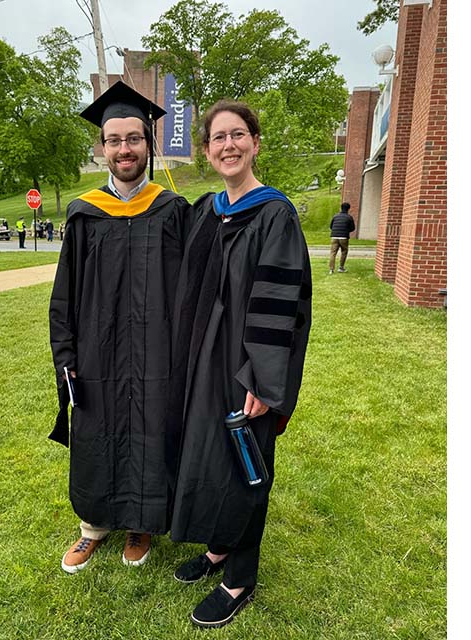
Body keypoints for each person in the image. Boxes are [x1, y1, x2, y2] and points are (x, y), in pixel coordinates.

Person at [166, 99, 312, 628]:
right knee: (208, 453)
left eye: (238, 135)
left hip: (247, 368)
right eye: (218, 138)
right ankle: (219, 547)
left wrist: (264, 380)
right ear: (206, 150)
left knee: (247, 467)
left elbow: (281, 306)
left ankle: (240, 577)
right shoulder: (209, 210)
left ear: (254, 142)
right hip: (205, 359)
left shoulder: (275, 214)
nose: (228, 145)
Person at [48, 81, 195, 576]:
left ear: (148, 144)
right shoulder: (85, 213)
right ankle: (94, 526)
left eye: (134, 138)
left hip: (157, 351)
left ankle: (141, 523)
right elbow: (64, 295)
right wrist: (65, 357)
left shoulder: (173, 210)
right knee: (97, 432)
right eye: (114, 140)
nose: (124, 148)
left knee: (151, 429)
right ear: (103, 147)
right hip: (97, 353)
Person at [328, 202, 355, 273]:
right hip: (344, 237)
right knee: (344, 252)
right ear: (348, 209)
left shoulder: (335, 216)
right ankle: (341, 267)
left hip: (334, 236)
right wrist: (346, 230)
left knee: (333, 253)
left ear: (341, 208)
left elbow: (331, 226)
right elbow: (352, 228)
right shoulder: (349, 217)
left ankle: (331, 269)